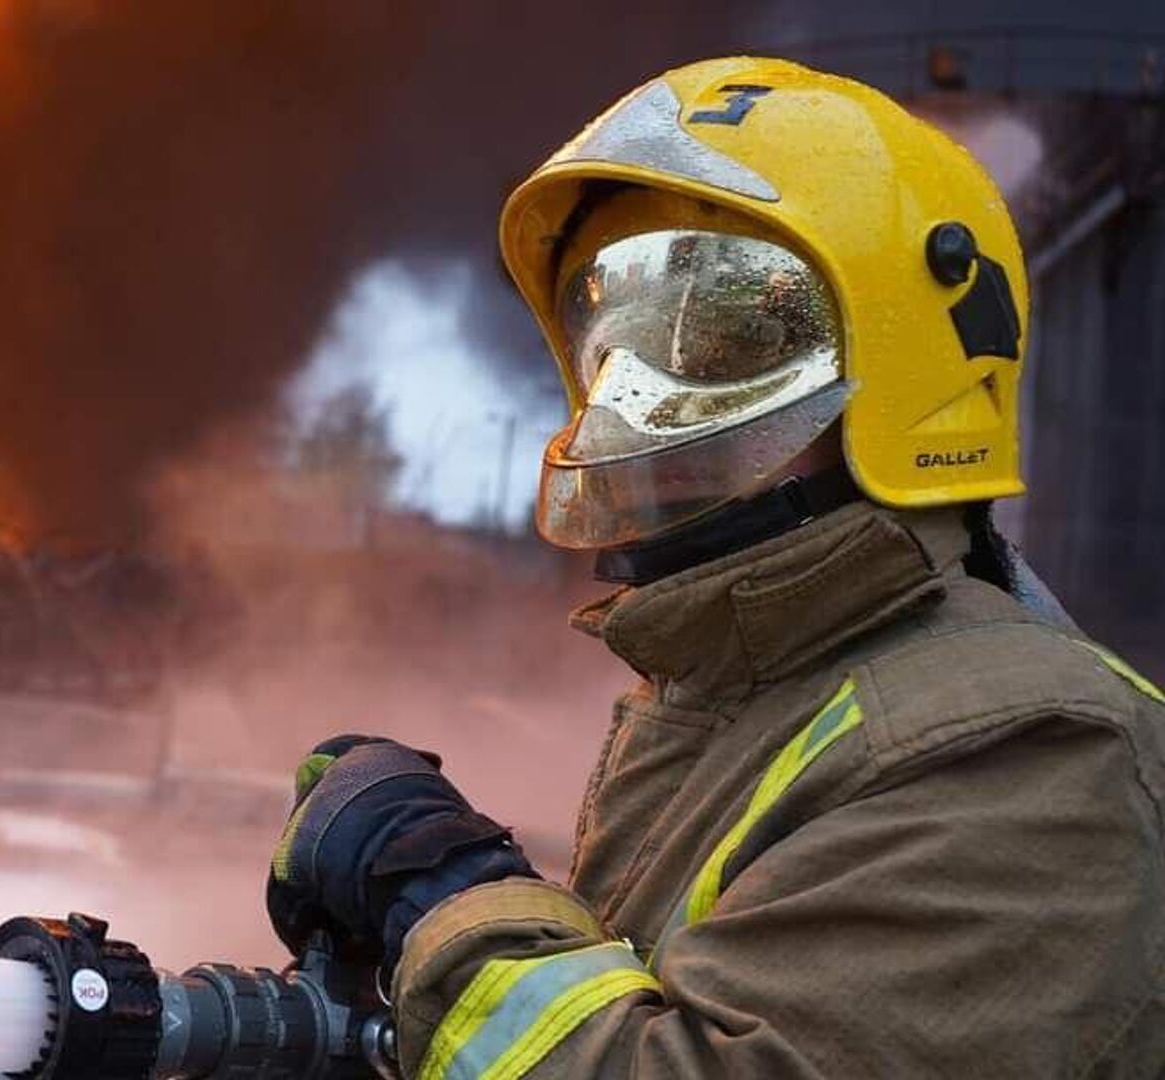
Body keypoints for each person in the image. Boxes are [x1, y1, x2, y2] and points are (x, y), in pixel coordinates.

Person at [267, 56, 1165, 1078]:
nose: (645, 398)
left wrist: (449, 901)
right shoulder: (745, 683)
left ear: (911, 366)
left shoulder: (1031, 756)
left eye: (732, 330)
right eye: (619, 332)